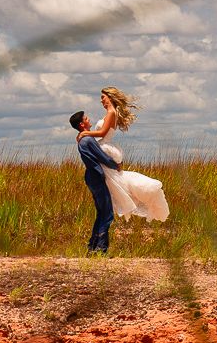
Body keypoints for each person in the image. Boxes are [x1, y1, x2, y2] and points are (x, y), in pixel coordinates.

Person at [76, 87, 170, 223]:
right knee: (113, 180)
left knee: (112, 181)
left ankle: (117, 206)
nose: (101, 100)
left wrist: (85, 133)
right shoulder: (110, 112)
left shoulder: (111, 112)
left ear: (110, 97)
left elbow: (102, 133)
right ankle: (114, 206)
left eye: (103, 97)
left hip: (106, 146)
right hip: (105, 145)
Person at [70, 110, 120, 254]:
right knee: (108, 213)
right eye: (86, 118)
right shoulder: (88, 140)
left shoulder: (83, 139)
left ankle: (92, 246)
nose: (88, 119)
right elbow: (102, 157)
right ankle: (100, 248)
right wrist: (116, 165)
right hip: (96, 177)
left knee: (101, 212)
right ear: (82, 124)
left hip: (91, 177)